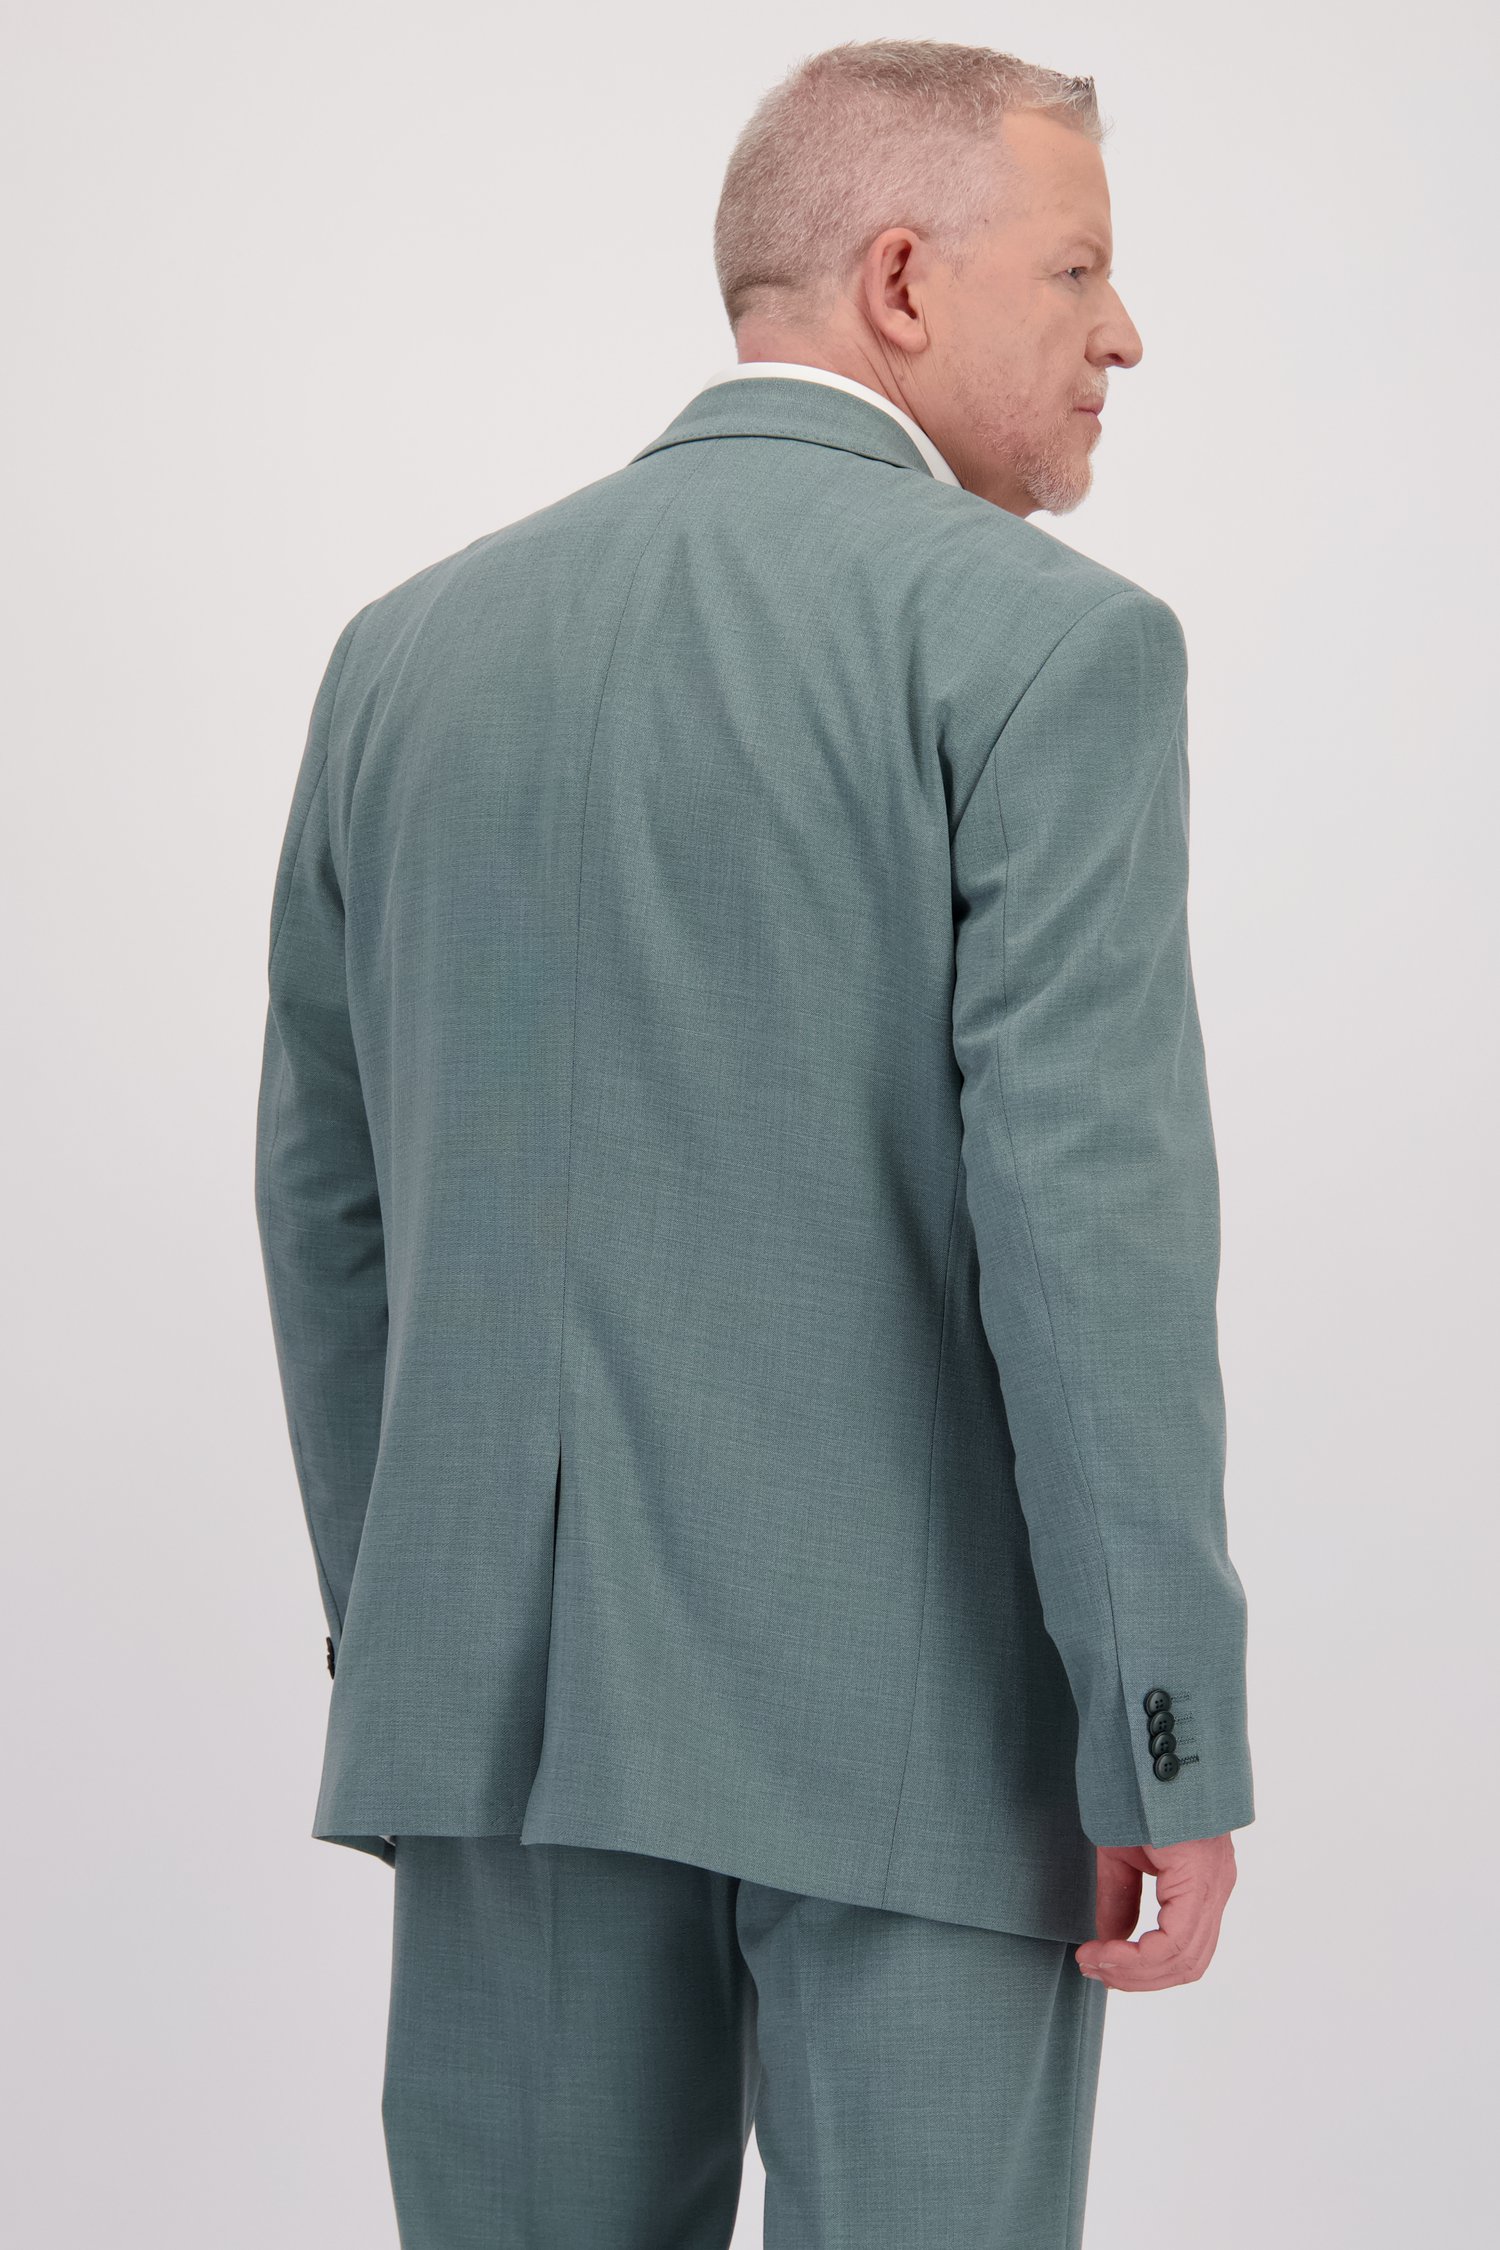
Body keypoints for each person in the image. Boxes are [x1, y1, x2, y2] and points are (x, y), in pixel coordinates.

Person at [254, 36, 1254, 2249]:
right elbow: (1086, 1226)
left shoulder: (402, 655)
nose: (1123, 334)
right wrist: (1159, 1726)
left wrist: (419, 1633)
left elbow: (330, 1208)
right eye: (1078, 269)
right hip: (926, 1742)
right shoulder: (1043, 648)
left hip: (494, 1721)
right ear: (901, 279)